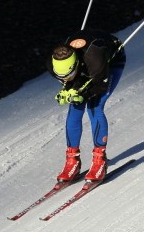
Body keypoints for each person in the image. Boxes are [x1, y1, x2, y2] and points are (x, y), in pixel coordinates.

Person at [46, 28, 126, 183]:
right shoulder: (52, 64)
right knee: (75, 109)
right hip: (83, 65)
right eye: (61, 77)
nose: (65, 79)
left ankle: (99, 160)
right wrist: (68, 90)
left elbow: (99, 87)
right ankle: (72, 160)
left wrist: (80, 93)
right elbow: (68, 80)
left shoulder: (95, 61)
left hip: (109, 62)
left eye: (68, 75)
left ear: (76, 64)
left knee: (95, 107)